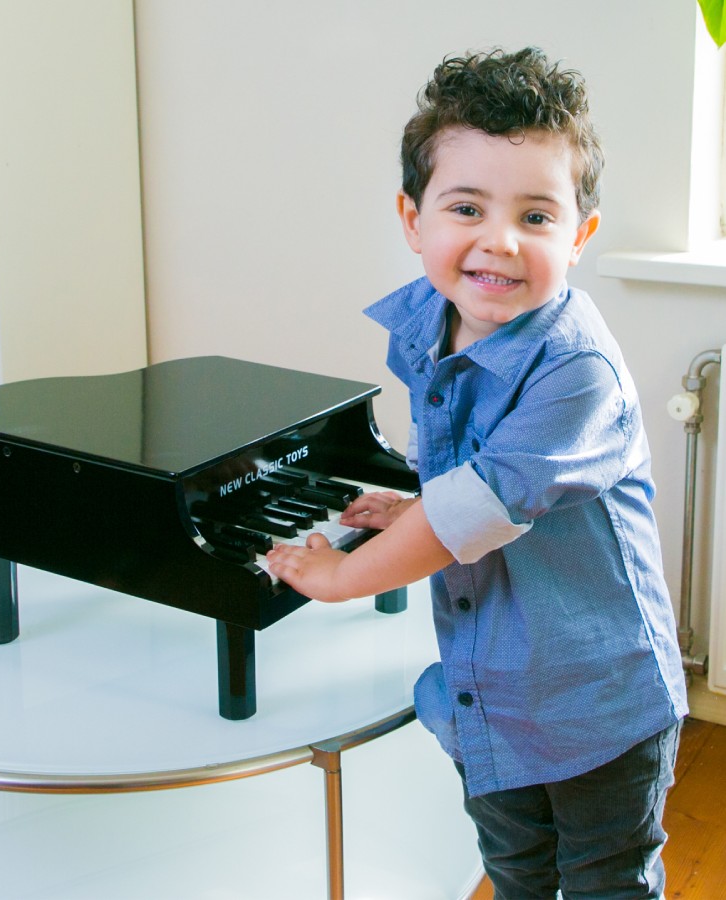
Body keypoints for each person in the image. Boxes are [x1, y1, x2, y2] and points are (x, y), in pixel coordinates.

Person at [267, 47, 688, 898]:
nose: (499, 240)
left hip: (597, 702)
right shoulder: (435, 316)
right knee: (515, 873)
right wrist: (412, 508)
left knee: (606, 883)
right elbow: (461, 476)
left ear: (580, 237)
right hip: (493, 691)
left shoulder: (578, 371)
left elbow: (474, 510)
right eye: (467, 207)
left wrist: (342, 577)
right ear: (413, 218)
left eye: (536, 216)